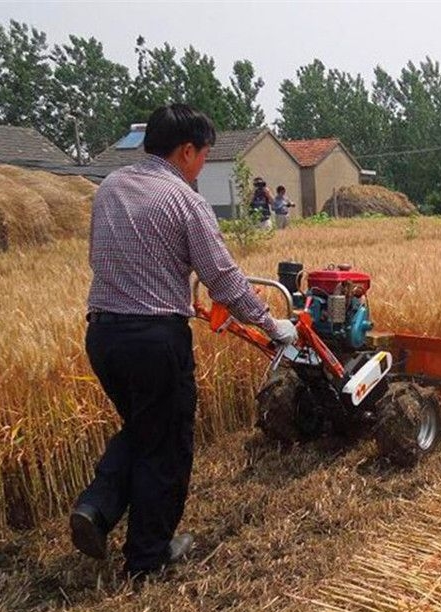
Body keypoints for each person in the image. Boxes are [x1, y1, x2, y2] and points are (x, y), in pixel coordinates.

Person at [70, 104, 297, 579]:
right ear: (186, 150)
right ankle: (148, 557)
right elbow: (222, 277)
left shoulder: (109, 188)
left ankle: (96, 507)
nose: (201, 166)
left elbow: (98, 256)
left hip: (103, 334)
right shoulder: (183, 200)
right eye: (203, 156)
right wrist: (271, 324)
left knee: (143, 426)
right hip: (154, 339)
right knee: (167, 445)